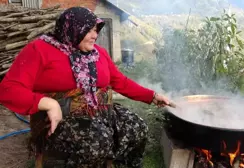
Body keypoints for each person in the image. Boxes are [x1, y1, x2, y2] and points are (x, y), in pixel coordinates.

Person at [0, 7, 170, 168]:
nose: (94, 35)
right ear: (72, 29)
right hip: (63, 118)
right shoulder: (39, 50)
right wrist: (48, 103)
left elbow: (120, 81)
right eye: (88, 30)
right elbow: (8, 89)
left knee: (137, 127)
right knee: (96, 141)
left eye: (96, 30)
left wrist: (152, 96)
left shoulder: (98, 53)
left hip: (100, 112)